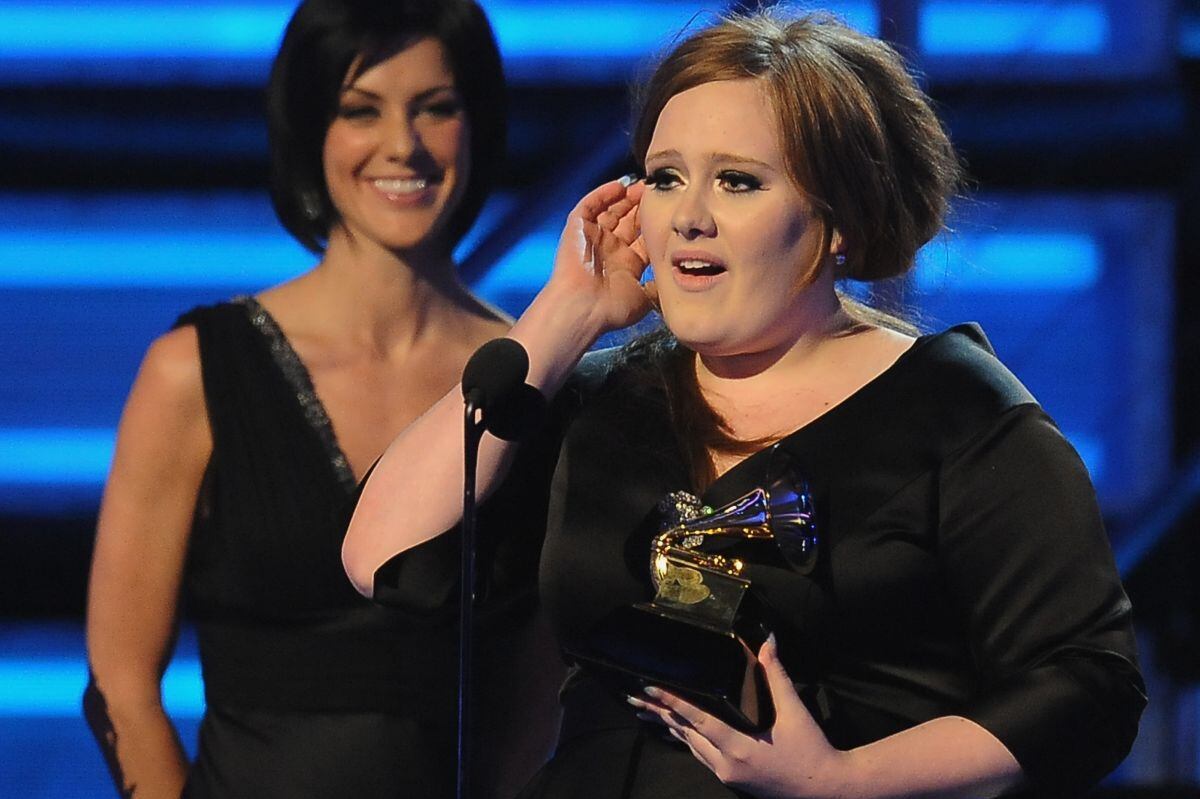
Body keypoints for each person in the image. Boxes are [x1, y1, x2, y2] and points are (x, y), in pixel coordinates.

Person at [343, 9, 1146, 799]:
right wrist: (566, 312)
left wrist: (845, 779)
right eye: (665, 178)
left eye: (737, 181)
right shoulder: (599, 400)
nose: (689, 215)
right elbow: (382, 559)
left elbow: (1088, 684)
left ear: (839, 219)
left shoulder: (959, 415)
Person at [84, 1, 561, 797]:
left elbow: (540, 698)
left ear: (478, 123)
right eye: (360, 110)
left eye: (436, 108)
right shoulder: (194, 372)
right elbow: (120, 684)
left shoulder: (541, 381)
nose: (402, 145)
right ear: (311, 130)